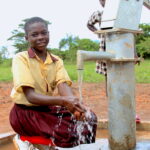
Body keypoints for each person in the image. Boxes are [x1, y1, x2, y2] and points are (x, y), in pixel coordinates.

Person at [9, 17, 97, 150]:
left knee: (89, 118)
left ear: (48, 34)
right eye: (34, 34)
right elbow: (31, 96)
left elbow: (63, 86)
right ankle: (24, 140)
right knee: (58, 130)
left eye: (44, 33)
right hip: (25, 114)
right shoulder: (21, 58)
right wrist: (64, 101)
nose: (40, 37)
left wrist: (74, 105)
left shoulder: (56, 61)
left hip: (45, 110)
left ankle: (43, 144)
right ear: (26, 38)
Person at [87, 0, 140, 122]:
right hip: (107, 51)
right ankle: (114, 110)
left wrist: (134, 52)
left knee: (127, 80)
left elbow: (130, 33)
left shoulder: (124, 14)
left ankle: (130, 112)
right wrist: (99, 33)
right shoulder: (99, 14)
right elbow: (89, 24)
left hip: (124, 51)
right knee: (109, 82)